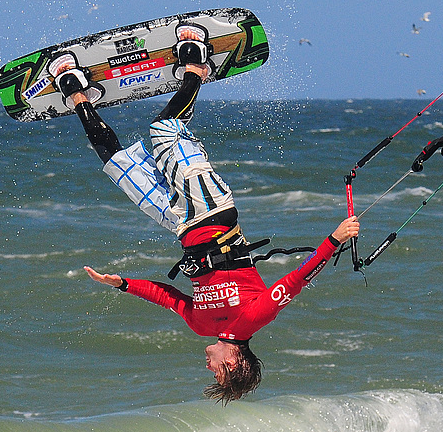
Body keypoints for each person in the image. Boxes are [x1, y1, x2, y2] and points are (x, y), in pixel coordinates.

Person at [50, 24, 359, 403]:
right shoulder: (255, 318)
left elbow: (167, 298)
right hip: (212, 210)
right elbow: (297, 278)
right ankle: (196, 66)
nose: (207, 366)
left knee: (115, 163)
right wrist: (336, 238)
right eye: (216, 372)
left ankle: (77, 93)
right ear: (235, 363)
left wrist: (121, 284)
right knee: (164, 129)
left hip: (178, 222)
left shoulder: (200, 326)